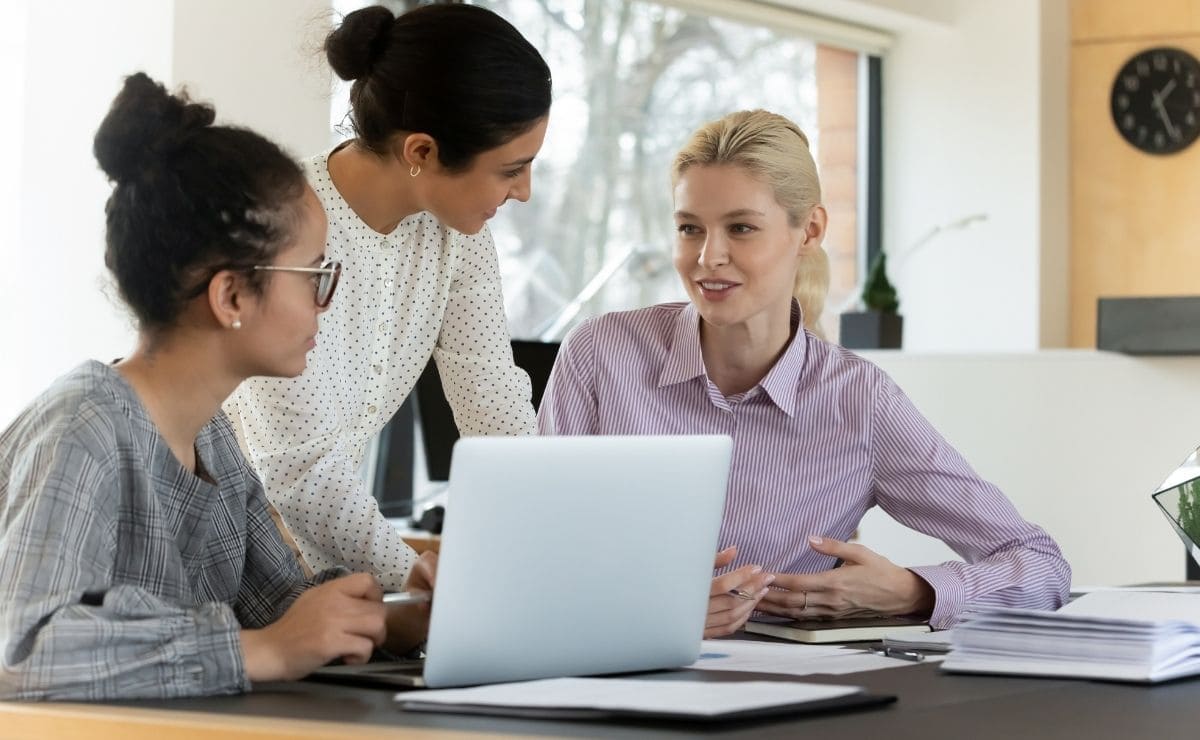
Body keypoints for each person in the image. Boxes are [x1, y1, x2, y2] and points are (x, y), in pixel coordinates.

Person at [538, 109, 1071, 637]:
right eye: (689, 229)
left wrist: (913, 590)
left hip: (782, 698)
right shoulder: (602, 355)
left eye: (741, 228)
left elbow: (1041, 565)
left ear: (809, 230)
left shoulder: (857, 401)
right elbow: (531, 550)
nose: (708, 257)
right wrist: (648, 609)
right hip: (604, 675)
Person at [0, 74, 431, 701]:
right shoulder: (84, 425)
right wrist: (263, 650)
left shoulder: (214, 436)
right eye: (312, 274)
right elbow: (24, 649)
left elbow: (281, 605)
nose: (324, 303)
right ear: (231, 294)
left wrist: (396, 618)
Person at [226, 3, 552, 590]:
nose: (524, 192)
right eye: (511, 169)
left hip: (324, 573)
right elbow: (299, 471)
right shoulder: (282, 226)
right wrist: (419, 581)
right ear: (422, 152)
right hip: (220, 550)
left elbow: (494, 405)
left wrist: (566, 550)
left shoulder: (459, 238)